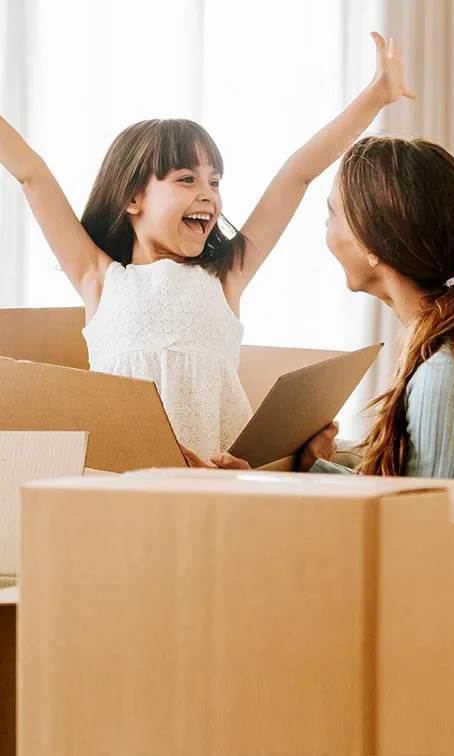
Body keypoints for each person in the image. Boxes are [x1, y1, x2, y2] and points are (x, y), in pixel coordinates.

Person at [0, 33, 413, 460]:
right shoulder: (100, 279)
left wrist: (376, 96)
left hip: (217, 482)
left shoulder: (225, 276)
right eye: (186, 179)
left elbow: (297, 175)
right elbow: (32, 173)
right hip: (125, 483)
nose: (208, 194)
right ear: (132, 199)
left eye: (214, 182)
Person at [186, 137, 454, 479]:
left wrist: (254, 482)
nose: (326, 229)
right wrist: (315, 465)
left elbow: (415, 517)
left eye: (332, 214)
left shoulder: (447, 370)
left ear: (371, 244)